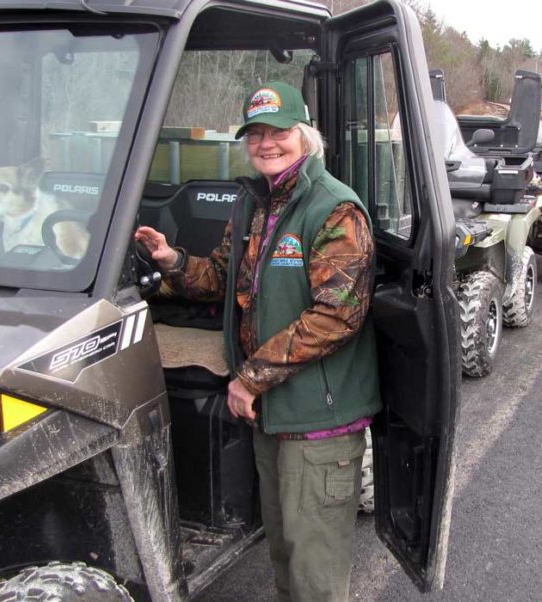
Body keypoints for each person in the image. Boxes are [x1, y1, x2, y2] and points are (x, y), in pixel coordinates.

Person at [136, 81, 380, 602]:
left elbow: (337, 317)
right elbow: (224, 277)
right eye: (256, 135)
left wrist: (248, 378)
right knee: (286, 553)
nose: (268, 144)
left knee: (315, 571)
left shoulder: (335, 209)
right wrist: (172, 261)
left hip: (319, 419)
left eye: (280, 132)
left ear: (305, 136)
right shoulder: (256, 205)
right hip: (273, 413)